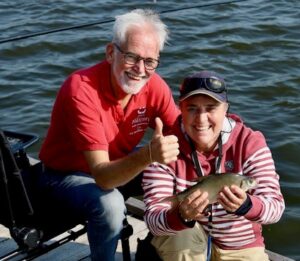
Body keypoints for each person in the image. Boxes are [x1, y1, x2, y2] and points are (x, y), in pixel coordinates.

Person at [38, 9, 180, 261]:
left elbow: (182, 131)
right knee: (111, 204)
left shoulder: (154, 84)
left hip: (116, 164)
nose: (140, 69)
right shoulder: (80, 89)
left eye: (150, 61)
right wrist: (149, 154)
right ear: (111, 52)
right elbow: (103, 178)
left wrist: (220, 128)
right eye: (131, 57)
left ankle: (163, 244)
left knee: (180, 164)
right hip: (64, 177)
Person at [142, 70, 285, 261]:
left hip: (240, 244)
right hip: (187, 237)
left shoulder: (250, 142)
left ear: (225, 109)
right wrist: (182, 216)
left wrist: (246, 205)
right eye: (192, 108)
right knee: (178, 238)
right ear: (180, 108)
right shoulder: (164, 147)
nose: (201, 119)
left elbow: (275, 208)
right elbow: (153, 221)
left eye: (211, 108)